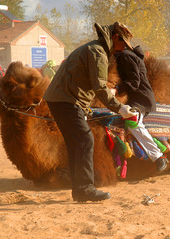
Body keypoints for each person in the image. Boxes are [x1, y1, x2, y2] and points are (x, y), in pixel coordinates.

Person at [43, 22, 136, 202]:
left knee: (76, 143)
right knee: (85, 139)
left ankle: (79, 189)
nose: (123, 48)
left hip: (61, 99)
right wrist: (120, 108)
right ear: (115, 38)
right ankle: (85, 188)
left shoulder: (94, 49)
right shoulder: (98, 52)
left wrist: (85, 108)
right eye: (123, 43)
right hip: (66, 101)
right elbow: (100, 88)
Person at [114, 45, 168, 172]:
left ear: (117, 39)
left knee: (132, 121)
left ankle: (159, 156)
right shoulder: (128, 55)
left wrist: (116, 89)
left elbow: (134, 81)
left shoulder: (126, 56)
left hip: (141, 99)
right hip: (139, 97)